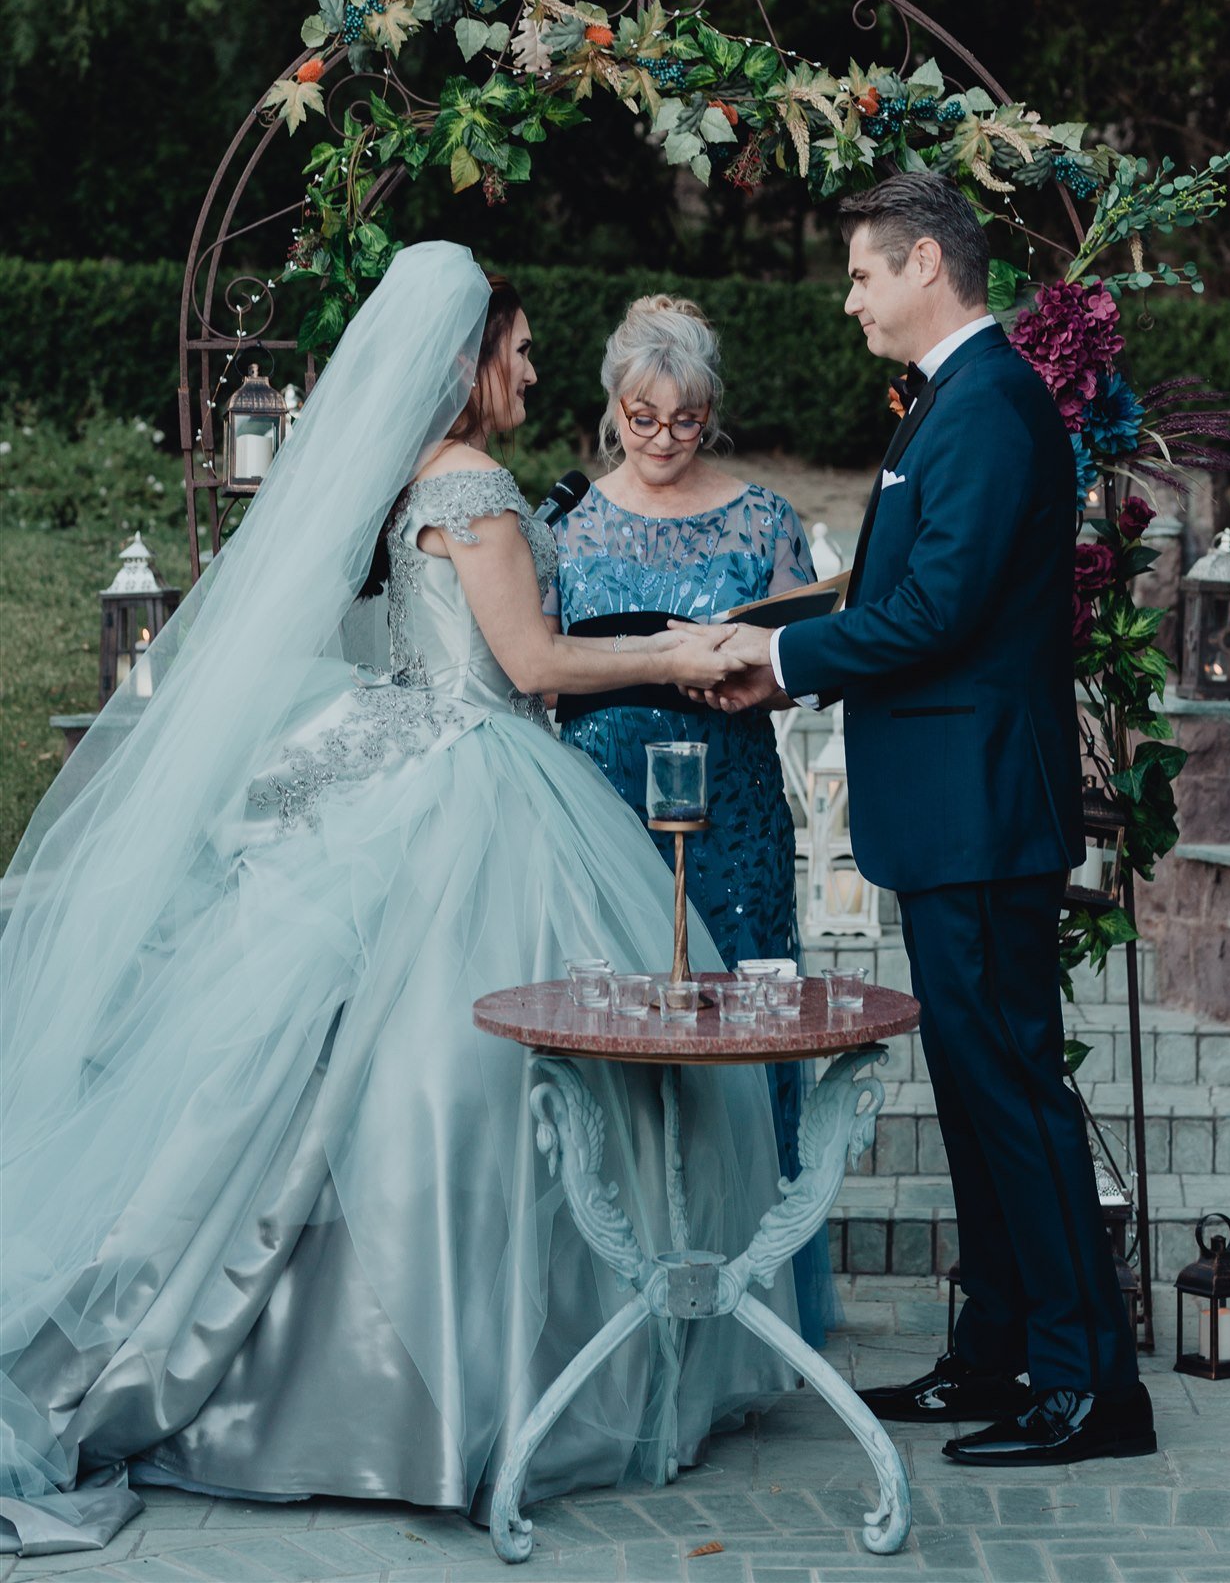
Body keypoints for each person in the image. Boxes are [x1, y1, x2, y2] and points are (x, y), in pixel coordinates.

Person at [0, 246, 798, 1558]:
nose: (537, 371)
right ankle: (466, 1392)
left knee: (364, 1090)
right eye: (524, 349)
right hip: (476, 777)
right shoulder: (472, 481)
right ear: (473, 359)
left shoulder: (420, 479)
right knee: (486, 1084)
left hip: (440, 755)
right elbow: (531, 660)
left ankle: (378, 1381)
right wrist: (688, 646)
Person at [702, 173, 1154, 1468]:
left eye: (859, 274)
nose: (848, 300)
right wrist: (780, 633)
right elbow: (888, 590)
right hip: (948, 810)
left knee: (1010, 1090)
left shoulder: (992, 407)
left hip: (980, 808)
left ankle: (1089, 1387)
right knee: (974, 1091)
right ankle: (997, 1351)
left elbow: (938, 613)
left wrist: (782, 666)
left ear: (922, 269)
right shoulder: (952, 404)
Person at [547, 293, 836, 1345]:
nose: (662, 439)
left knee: (743, 1017)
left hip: (735, 804)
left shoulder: (761, 516)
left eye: (683, 419)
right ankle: (623, 1284)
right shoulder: (565, 519)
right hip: (603, 801)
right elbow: (535, 665)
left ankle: (750, 1296)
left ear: (709, 412)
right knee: (617, 1015)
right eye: (640, 415)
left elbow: (812, 658)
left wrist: (759, 673)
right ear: (613, 405)